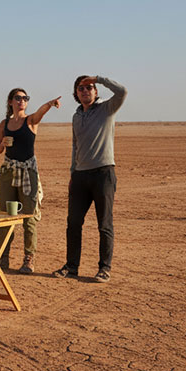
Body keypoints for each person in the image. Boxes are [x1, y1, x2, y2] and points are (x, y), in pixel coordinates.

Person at [53, 75, 127, 283]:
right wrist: (72, 172)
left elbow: (122, 91)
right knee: (73, 223)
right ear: (76, 94)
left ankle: (104, 268)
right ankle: (72, 266)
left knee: (104, 224)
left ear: (96, 91)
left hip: (103, 174)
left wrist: (99, 78)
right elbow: (75, 145)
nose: (85, 91)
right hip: (80, 176)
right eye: (81, 88)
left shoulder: (106, 109)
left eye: (89, 87)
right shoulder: (76, 116)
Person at [0, 88, 61, 274]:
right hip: (8, 172)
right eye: (18, 98)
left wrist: (49, 104)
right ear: (10, 102)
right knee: (4, 216)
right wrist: (3, 144)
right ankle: (3, 257)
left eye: (25, 98)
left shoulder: (30, 121)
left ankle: (29, 259)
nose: (22, 101)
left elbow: (39, 113)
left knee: (29, 216)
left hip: (27, 172)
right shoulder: (4, 124)